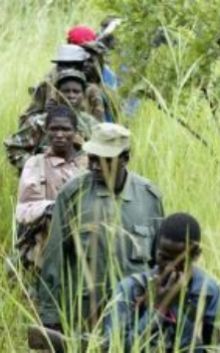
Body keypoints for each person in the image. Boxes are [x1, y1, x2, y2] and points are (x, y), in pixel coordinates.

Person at [38, 122, 164, 338]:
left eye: (105, 160)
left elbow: (160, 261)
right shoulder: (73, 195)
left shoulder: (149, 197)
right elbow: (54, 259)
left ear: (125, 158)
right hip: (85, 315)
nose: (94, 166)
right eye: (92, 158)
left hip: (135, 315)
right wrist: (51, 318)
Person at [104, 212, 220, 352]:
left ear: (196, 255)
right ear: (156, 250)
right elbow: (115, 347)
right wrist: (159, 308)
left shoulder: (209, 290)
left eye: (180, 261)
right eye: (164, 257)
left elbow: (211, 346)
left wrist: (179, 306)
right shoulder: (130, 288)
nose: (170, 267)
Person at [16, 105, 87, 269]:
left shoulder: (89, 163)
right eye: (54, 129)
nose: (59, 135)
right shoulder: (36, 163)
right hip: (45, 246)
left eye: (66, 129)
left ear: (75, 132)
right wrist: (50, 207)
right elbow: (24, 209)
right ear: (46, 131)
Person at [4, 69, 95, 171]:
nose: (71, 95)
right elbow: (13, 147)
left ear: (83, 95)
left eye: (76, 91)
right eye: (66, 91)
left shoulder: (91, 124)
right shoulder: (40, 121)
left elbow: (102, 155)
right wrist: (36, 166)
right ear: (57, 93)